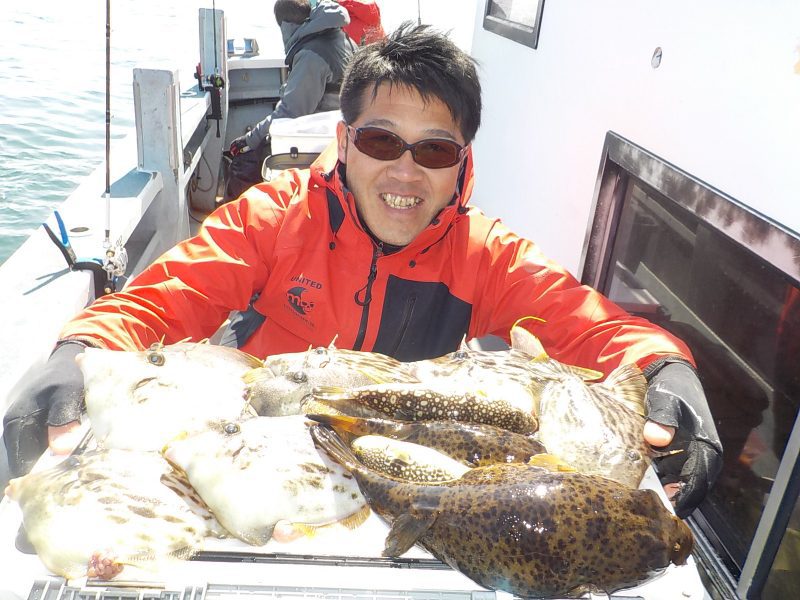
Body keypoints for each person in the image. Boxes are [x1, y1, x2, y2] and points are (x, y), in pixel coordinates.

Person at [3, 23, 721, 519]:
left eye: (435, 151)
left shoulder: (483, 253)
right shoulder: (275, 217)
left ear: (462, 164)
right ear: (345, 143)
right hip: (251, 451)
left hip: (393, 472)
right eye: (382, 140)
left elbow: (581, 321)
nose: (405, 170)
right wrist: (82, 351)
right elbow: (168, 295)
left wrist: (663, 368)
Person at [224, 0, 354, 201]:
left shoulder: (312, 55)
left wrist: (248, 139)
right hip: (337, 129)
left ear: (286, 26)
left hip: (318, 140)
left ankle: (242, 227)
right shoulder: (339, 36)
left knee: (243, 162)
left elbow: (291, 113)